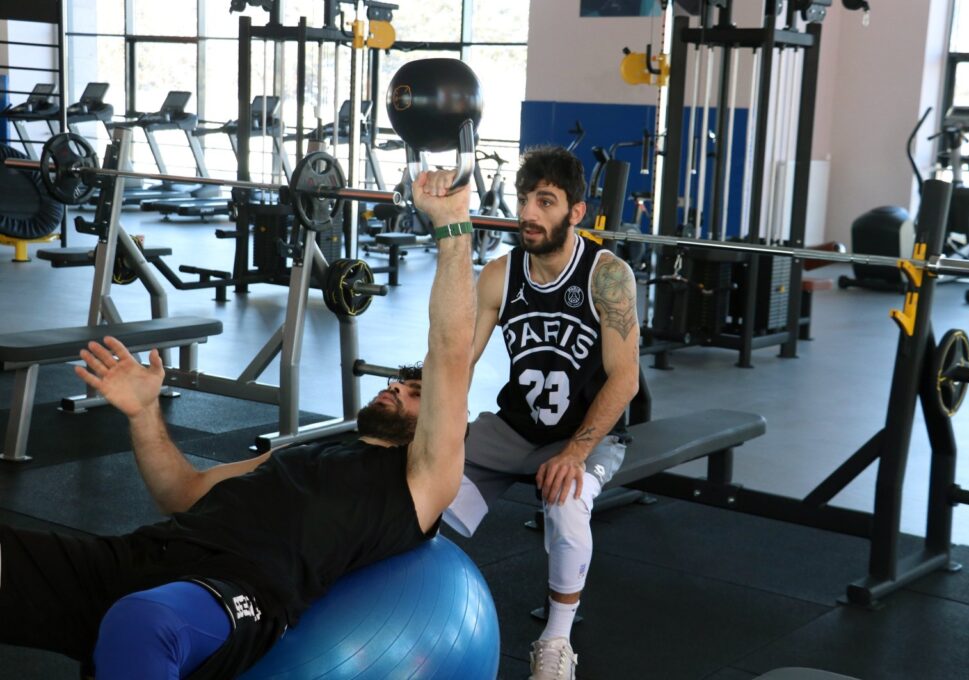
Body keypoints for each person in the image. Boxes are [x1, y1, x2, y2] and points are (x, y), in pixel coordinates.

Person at [0, 168, 476, 680]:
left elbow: (449, 353)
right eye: (400, 383)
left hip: (235, 589)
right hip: (144, 556)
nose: (396, 389)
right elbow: (184, 492)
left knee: (142, 624)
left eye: (415, 395)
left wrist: (453, 228)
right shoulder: (304, 453)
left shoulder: (420, 481)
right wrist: (143, 414)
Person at [443, 146, 640, 679]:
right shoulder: (501, 275)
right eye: (525, 199)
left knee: (567, 504)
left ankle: (556, 641)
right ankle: (416, 603)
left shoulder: (608, 276)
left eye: (545, 202)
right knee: (425, 490)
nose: (528, 213)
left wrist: (576, 453)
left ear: (575, 212)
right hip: (512, 427)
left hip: (584, 434)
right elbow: (460, 359)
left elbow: (626, 379)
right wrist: (430, 424)